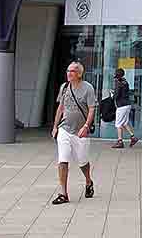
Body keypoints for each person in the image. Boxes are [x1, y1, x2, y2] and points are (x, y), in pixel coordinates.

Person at [50, 61, 97, 205]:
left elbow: (91, 109)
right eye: (68, 70)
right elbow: (61, 108)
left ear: (79, 74)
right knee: (62, 160)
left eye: (72, 71)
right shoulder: (64, 87)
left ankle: (88, 181)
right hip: (65, 129)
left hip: (81, 132)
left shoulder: (88, 88)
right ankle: (63, 194)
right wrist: (55, 126)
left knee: (82, 161)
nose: (69, 73)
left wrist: (86, 126)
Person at [111, 67, 138, 149]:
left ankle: (120, 141)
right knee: (124, 123)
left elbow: (117, 95)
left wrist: (112, 95)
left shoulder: (118, 83)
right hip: (127, 104)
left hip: (121, 106)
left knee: (118, 124)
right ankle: (133, 137)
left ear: (117, 76)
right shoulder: (125, 82)